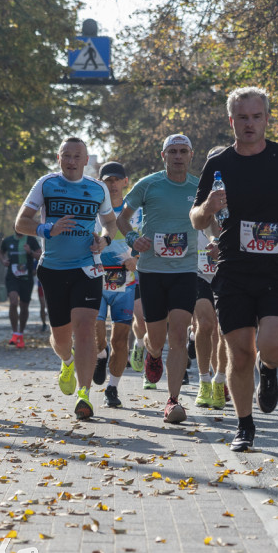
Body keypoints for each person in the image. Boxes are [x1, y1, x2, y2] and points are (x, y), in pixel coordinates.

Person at [191, 87, 278, 452]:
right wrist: (209, 208)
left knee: (275, 349)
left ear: (266, 119)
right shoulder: (219, 163)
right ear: (232, 121)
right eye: (242, 118)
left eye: (256, 117)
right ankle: (244, 425)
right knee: (239, 352)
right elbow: (197, 217)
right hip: (233, 268)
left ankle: (270, 369)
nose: (249, 124)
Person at [15, 137, 117, 420]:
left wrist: (105, 241)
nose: (71, 161)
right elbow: (21, 222)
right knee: (61, 338)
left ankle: (84, 394)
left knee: (85, 328)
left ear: (86, 160)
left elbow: (110, 223)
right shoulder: (46, 184)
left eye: (77, 156)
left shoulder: (97, 189)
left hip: (88, 267)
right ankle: (67, 361)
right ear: (59, 159)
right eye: (66, 156)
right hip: (54, 269)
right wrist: (48, 229)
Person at [117, 136, 199, 423]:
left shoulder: (198, 187)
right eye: (173, 151)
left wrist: (215, 240)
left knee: (178, 335)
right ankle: (151, 353)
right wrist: (133, 239)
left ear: (191, 155)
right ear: (163, 155)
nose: (178, 156)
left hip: (186, 270)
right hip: (151, 271)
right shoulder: (148, 184)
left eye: (183, 152)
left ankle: (173, 401)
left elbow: (211, 222)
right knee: (157, 338)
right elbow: (122, 219)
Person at [92, 161, 139, 409]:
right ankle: (100, 355)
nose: (111, 185)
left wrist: (137, 259)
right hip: (97, 278)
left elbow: (148, 238)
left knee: (120, 340)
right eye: (106, 180)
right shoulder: (93, 208)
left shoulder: (135, 211)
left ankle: (112, 388)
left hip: (126, 282)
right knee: (96, 332)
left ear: (125, 182)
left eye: (115, 180)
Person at [193, 146, 229, 411]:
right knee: (206, 324)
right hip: (197, 270)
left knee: (225, 329)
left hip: (227, 270)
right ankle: (204, 380)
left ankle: (220, 379)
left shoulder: (242, 195)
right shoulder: (196, 195)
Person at [0, 232, 41, 348]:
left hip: (26, 278)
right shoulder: (7, 240)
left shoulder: (31, 240)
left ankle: (21, 334)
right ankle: (14, 333)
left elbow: (40, 255)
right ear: (14, 227)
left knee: (24, 306)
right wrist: (3, 261)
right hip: (12, 277)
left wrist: (30, 252)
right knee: (13, 302)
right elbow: (1, 252)